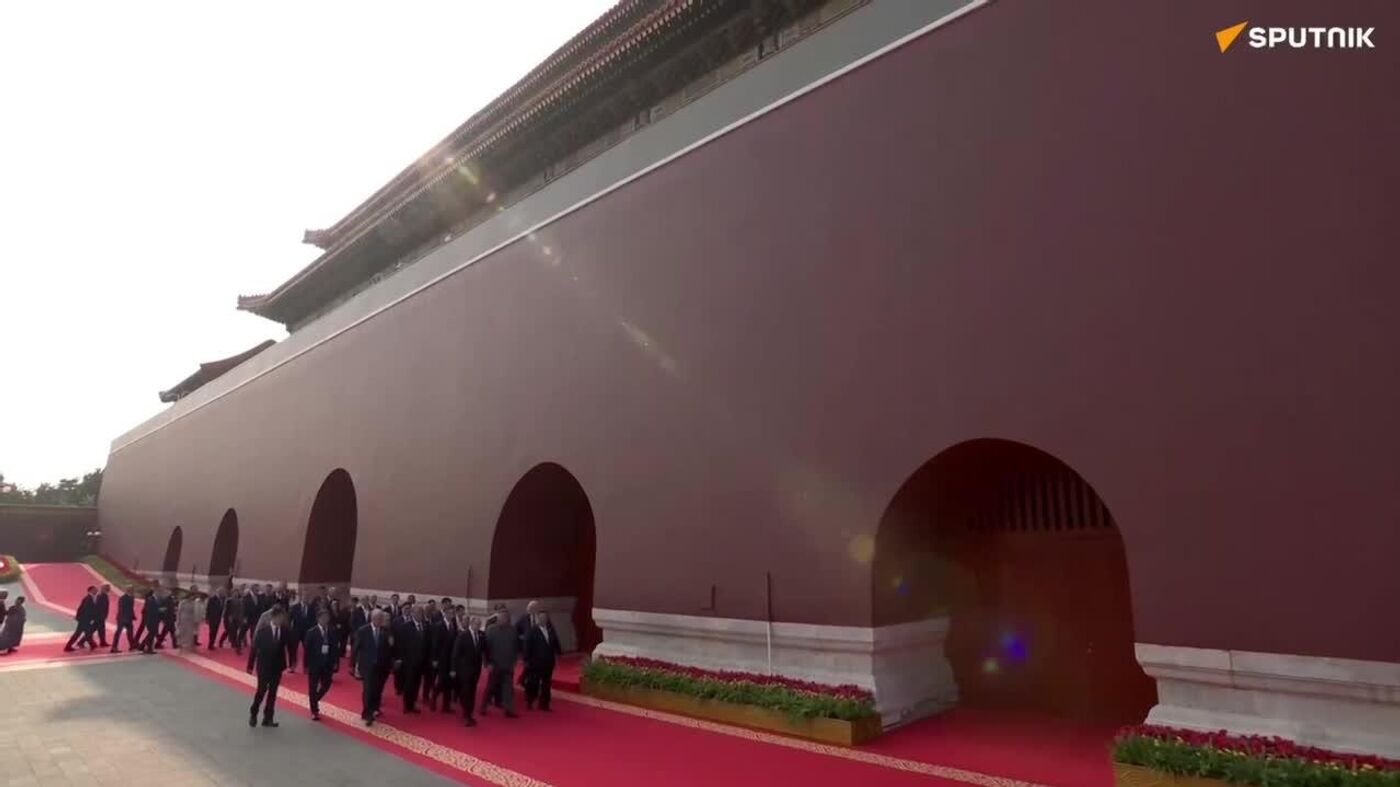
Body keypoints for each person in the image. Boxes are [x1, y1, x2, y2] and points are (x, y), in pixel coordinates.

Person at [245, 606, 288, 728]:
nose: (281, 620)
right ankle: (254, 713)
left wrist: (290, 661)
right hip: (264, 666)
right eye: (279, 617)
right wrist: (250, 665)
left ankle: (268, 718)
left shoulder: (284, 631)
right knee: (261, 691)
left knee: (273, 693)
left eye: (282, 618)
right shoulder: (262, 632)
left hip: (277, 667)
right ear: (273, 617)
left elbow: (289, 646)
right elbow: (254, 649)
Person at [354, 610, 395, 726]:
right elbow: (356, 648)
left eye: (382, 618)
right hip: (367, 666)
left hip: (381, 666)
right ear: (373, 618)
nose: (381, 620)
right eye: (379, 618)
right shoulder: (363, 631)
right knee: (368, 689)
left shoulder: (385, 631)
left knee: (377, 689)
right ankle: (367, 713)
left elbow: (389, 650)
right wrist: (355, 665)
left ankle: (374, 708)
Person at [482, 606, 519, 718]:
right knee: (490, 687)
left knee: (508, 688)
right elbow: (485, 648)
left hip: (508, 665)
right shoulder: (491, 630)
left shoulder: (512, 630)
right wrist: (487, 663)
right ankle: (483, 707)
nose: (504, 619)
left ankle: (509, 709)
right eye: (502, 617)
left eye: (506, 617)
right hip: (495, 665)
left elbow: (515, 647)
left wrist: (515, 660)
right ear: (498, 618)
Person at [523, 610, 562, 711]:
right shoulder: (532, 631)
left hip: (548, 662)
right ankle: (530, 701)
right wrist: (526, 660)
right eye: (541, 618)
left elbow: (555, 642)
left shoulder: (550, 629)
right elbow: (527, 646)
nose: (543, 620)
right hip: (535, 662)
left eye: (545, 618)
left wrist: (559, 653)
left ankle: (544, 704)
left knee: (546, 684)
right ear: (538, 619)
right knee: (534, 683)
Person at [303, 608, 337, 721]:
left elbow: (334, 648)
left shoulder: (331, 631)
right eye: (323, 617)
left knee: (326, 684)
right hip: (314, 664)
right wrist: (306, 665)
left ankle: (315, 699)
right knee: (312, 687)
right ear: (318, 619)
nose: (325, 619)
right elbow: (307, 650)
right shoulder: (311, 632)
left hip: (327, 663)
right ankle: (314, 710)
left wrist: (335, 662)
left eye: (327, 617)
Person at [451, 613, 484, 726]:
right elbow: (455, 653)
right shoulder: (463, 636)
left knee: (472, 692)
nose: (478, 627)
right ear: (471, 624)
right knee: (466, 692)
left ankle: (469, 713)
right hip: (464, 670)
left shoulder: (480, 636)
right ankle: (466, 715)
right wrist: (453, 669)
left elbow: (481, 652)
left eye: (479, 625)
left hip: (476, 671)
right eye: (477, 624)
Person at [397, 605, 429, 714]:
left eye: (421, 613)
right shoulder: (405, 627)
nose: (420, 615)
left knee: (417, 684)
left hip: (421, 662)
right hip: (409, 662)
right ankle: (407, 705)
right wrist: (401, 659)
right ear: (413, 614)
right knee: (409, 684)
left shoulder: (425, 626)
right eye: (418, 613)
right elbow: (401, 644)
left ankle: (413, 703)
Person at [428, 604, 459, 712]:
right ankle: (433, 698)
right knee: (442, 681)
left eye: (453, 613)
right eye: (449, 613)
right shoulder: (439, 626)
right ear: (445, 613)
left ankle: (446, 706)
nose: (451, 615)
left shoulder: (453, 625)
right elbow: (435, 643)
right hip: (441, 659)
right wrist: (434, 659)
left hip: (451, 659)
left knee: (449, 683)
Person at [65, 586, 100, 652]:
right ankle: (68, 646)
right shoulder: (88, 599)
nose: (97, 591)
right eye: (95, 589)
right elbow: (86, 609)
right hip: (84, 619)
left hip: (84, 619)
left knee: (85, 632)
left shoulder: (90, 598)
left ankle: (92, 644)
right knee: (81, 633)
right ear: (91, 590)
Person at [110, 586, 137, 653]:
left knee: (130, 633)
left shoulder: (132, 597)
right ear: (127, 590)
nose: (132, 591)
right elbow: (121, 609)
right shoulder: (123, 598)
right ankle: (114, 647)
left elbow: (131, 608)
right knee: (118, 633)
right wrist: (124, 618)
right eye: (131, 589)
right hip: (122, 618)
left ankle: (132, 646)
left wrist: (133, 616)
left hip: (128, 618)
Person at [286, 590, 306, 673]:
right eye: (304, 596)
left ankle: (306, 667)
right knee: (293, 649)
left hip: (306, 632)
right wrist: (289, 629)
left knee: (308, 649)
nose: (306, 598)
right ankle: (292, 666)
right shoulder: (295, 607)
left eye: (307, 596)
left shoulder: (311, 608)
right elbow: (289, 619)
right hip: (296, 631)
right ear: (301, 597)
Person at [223, 587, 246, 654]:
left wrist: (242, 618)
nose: (236, 594)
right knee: (232, 631)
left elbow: (242, 610)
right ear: (232, 593)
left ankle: (237, 645)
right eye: (234, 593)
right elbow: (227, 610)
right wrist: (228, 617)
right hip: (232, 618)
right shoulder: (229, 600)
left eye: (237, 593)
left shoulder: (241, 600)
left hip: (239, 618)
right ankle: (232, 642)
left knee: (238, 632)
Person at [139, 588, 162, 654]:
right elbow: (149, 610)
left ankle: (146, 647)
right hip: (151, 620)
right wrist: (159, 610)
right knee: (152, 633)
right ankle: (147, 647)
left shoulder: (156, 600)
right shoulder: (150, 600)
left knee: (152, 634)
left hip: (155, 619)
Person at [176, 586, 199, 650]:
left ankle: (189, 645)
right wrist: (178, 620)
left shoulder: (194, 603)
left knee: (190, 633)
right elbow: (179, 612)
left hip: (190, 620)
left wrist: (195, 619)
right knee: (182, 632)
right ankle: (180, 644)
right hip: (183, 619)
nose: (192, 598)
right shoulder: (183, 602)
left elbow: (195, 612)